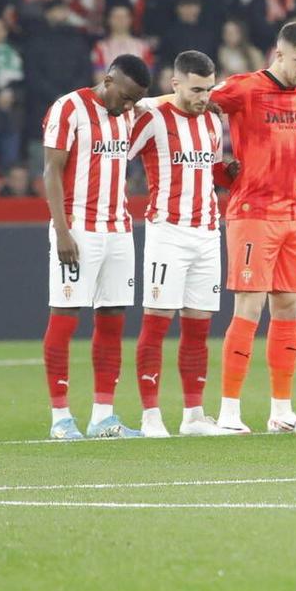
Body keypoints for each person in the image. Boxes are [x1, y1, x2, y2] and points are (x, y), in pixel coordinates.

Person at [203, 21, 296, 434]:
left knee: (289, 307)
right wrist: (148, 103)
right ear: (279, 54)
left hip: (293, 213)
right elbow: (198, 99)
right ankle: (228, 412)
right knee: (249, 307)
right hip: (252, 212)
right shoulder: (244, 88)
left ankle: (282, 411)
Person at [39, 55, 153, 440]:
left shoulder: (130, 114)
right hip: (78, 230)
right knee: (66, 315)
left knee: (112, 318)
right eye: (126, 97)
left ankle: (103, 416)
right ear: (108, 80)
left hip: (119, 229)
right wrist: (62, 230)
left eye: (136, 100)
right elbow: (51, 169)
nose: (129, 106)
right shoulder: (69, 108)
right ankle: (60, 418)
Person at [126, 49, 230, 437]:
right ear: (175, 84)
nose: (204, 97)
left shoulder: (213, 124)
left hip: (207, 232)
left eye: (208, 89)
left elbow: (213, 168)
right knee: (155, 324)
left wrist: (230, 172)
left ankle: (193, 416)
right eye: (197, 89)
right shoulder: (153, 117)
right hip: (167, 233)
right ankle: (151, 416)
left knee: (198, 328)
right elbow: (121, 154)